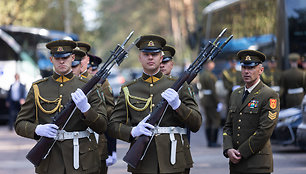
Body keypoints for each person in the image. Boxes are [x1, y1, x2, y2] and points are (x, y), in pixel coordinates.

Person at [108, 35, 202, 174]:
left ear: (161, 57)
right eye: (146, 54)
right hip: (143, 162)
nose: (150, 57)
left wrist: (178, 106)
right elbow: (112, 126)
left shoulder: (179, 86)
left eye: (155, 54)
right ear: (140, 57)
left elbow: (196, 123)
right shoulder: (129, 89)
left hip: (174, 160)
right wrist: (133, 131)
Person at [14, 40, 108, 174]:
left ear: (73, 58)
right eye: (58, 58)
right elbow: (20, 124)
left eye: (65, 57)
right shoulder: (38, 88)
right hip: (51, 162)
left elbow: (102, 126)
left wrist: (86, 109)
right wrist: (38, 129)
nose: (62, 61)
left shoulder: (90, 87)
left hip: (82, 162)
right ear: (51, 59)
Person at [223, 50, 280, 174]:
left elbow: (264, 131)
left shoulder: (269, 95)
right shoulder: (236, 94)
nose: (246, 71)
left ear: (261, 70)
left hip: (257, 164)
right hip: (235, 164)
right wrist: (228, 149)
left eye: (251, 67)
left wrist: (241, 152)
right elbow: (228, 126)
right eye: (244, 67)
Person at [88, 53, 118, 173]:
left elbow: (110, 115)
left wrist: (112, 148)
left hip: (98, 142)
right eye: (88, 68)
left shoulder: (103, 84)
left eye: (93, 69)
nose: (90, 71)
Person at [199, 60, 221, 147]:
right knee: (216, 120)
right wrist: (217, 102)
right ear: (208, 64)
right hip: (211, 101)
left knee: (208, 121)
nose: (213, 64)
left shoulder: (202, 74)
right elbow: (213, 91)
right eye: (212, 63)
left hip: (205, 99)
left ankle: (209, 141)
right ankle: (213, 141)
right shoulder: (210, 76)